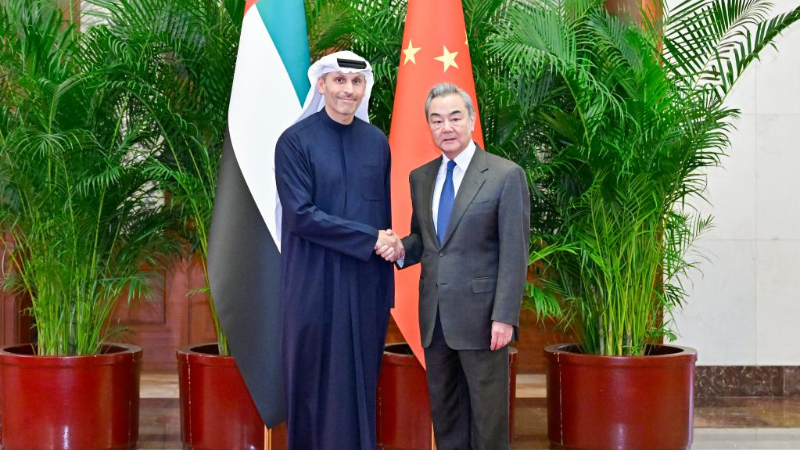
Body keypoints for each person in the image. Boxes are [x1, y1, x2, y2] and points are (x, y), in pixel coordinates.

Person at [377, 82, 530, 450]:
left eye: (455, 118)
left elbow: (515, 252)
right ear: (429, 126)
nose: (446, 127)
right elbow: (426, 241)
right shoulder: (421, 177)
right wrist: (400, 248)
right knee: (447, 420)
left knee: (487, 424)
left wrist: (504, 316)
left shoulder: (505, 175)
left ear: (471, 120)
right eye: (437, 120)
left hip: (484, 321)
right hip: (435, 320)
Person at [275, 51, 399, 450]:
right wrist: (370, 239)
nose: (348, 89)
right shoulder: (294, 141)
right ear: (322, 84)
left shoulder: (376, 143)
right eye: (340, 80)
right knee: (312, 382)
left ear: (365, 89)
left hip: (364, 287)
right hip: (313, 283)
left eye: (356, 82)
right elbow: (301, 216)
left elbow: (384, 217)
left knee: (359, 383)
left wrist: (387, 255)